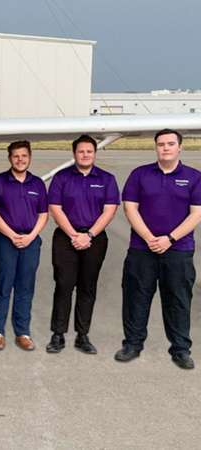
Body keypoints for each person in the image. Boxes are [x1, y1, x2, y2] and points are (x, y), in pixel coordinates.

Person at [116, 129, 201, 370]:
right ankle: (132, 344)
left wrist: (170, 238)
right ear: (156, 147)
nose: (165, 148)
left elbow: (197, 213)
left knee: (178, 300)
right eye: (161, 144)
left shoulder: (194, 177)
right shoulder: (140, 174)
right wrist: (150, 237)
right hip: (142, 249)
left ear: (180, 147)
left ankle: (181, 349)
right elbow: (130, 208)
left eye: (170, 144)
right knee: (136, 298)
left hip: (179, 249)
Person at [46, 135, 119, 354]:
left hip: (94, 239)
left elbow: (110, 209)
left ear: (95, 153)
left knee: (88, 287)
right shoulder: (61, 178)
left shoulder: (107, 178)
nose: (85, 155)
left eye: (89, 151)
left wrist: (89, 234)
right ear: (74, 154)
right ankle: (58, 334)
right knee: (64, 285)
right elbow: (55, 208)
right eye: (81, 151)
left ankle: (82, 335)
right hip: (66, 239)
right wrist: (74, 235)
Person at [0, 140, 48, 351]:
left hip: (30, 241)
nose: (20, 159)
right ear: (10, 158)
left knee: (25, 286)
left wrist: (31, 236)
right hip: (6, 241)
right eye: (16, 156)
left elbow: (43, 214)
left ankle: (23, 332)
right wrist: (12, 235)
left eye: (24, 156)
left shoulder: (37, 183)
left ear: (29, 157)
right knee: (4, 284)